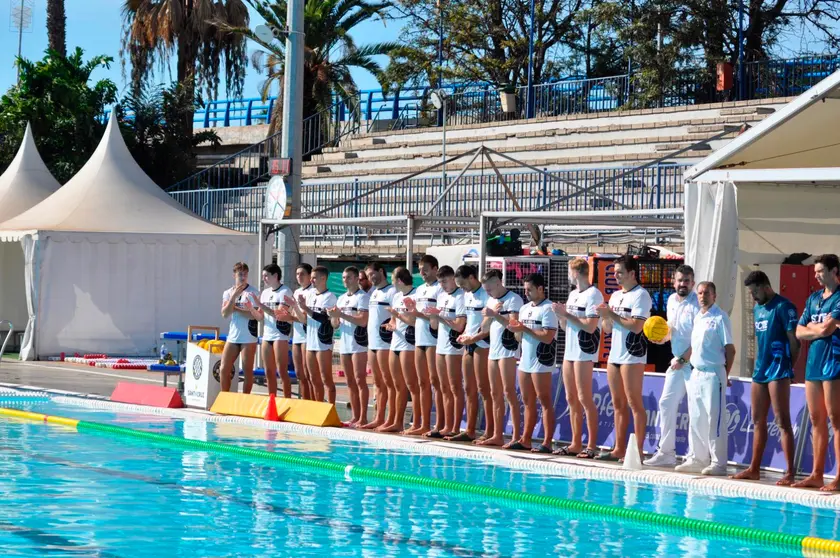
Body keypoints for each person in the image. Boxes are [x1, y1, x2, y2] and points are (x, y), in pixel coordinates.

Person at [731, 270, 799, 484]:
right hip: (761, 370)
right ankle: (754, 468)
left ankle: (790, 472)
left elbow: (794, 342)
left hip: (779, 370)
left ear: (766, 287)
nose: (752, 296)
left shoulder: (784, 307)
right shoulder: (758, 308)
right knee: (757, 420)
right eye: (750, 292)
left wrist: (789, 369)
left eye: (754, 291)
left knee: (782, 421)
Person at [676, 281, 735, 476]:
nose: (702, 296)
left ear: (714, 296)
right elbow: (695, 346)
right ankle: (698, 458)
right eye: (700, 293)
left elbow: (730, 349)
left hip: (713, 372)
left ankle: (719, 462)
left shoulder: (720, 317)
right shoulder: (698, 318)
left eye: (706, 293)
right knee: (696, 417)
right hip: (696, 372)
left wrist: (725, 374)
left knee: (714, 419)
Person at [596, 255, 652, 461]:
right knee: (617, 404)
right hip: (615, 355)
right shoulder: (615, 296)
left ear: (632, 273)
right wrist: (604, 316)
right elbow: (608, 329)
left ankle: (637, 452)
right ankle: (619, 448)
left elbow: (637, 327)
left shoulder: (641, 296)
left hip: (633, 356)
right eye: (614, 272)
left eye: (619, 272)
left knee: (634, 403)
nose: (616, 276)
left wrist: (611, 314)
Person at [645, 264, 700, 467]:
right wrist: (663, 338)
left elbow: (698, 339)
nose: (682, 284)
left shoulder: (697, 305)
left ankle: (695, 457)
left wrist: (684, 359)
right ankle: (666, 452)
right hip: (677, 362)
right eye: (679, 280)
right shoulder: (670, 301)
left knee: (696, 409)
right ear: (673, 281)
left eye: (686, 281)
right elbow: (673, 329)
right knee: (666, 404)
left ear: (692, 283)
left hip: (694, 365)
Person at [793, 254, 840, 491]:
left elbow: (827, 328)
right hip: (814, 365)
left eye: (820, 270)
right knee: (815, 419)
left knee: (836, 419)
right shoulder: (813, 299)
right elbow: (799, 332)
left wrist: (816, 327)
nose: (816, 274)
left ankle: (839, 476)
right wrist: (816, 329)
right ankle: (816, 474)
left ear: (834, 271)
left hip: (834, 362)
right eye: (815, 271)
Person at [554, 258, 604, 458]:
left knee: (584, 398)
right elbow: (565, 327)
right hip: (570, 351)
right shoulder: (573, 294)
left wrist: (567, 314)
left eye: (569, 272)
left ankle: (591, 445)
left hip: (584, 351)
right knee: (571, 398)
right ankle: (576, 443)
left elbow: (590, 326)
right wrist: (560, 316)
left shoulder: (594, 294)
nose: (568, 276)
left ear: (575, 273)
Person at [508, 273, 558, 452]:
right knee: (527, 401)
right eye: (525, 289)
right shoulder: (524, 308)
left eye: (529, 289)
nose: (526, 292)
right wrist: (515, 330)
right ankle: (526, 439)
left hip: (542, 359)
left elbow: (548, 337)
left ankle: (547, 442)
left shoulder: (548, 309)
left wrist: (524, 329)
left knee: (544, 401)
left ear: (540, 289)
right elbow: (520, 337)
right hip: (525, 359)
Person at [480, 269, 524, 447]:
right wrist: (490, 316)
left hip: (508, 350)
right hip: (494, 351)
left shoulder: (514, 299)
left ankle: (515, 436)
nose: (488, 293)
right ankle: (498, 434)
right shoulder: (491, 301)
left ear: (498, 282)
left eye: (489, 289)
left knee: (509, 393)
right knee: (495, 393)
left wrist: (496, 315)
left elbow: (514, 327)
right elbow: (484, 328)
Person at [401, 255, 441, 436]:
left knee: (435, 382)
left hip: (433, 340)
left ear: (435, 269)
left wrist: (416, 313)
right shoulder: (419, 290)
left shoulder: (441, 290)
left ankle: (438, 424)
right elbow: (413, 317)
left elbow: (437, 319)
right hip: (419, 339)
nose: (422, 273)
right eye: (420, 269)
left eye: (425, 269)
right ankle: (421, 423)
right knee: (422, 382)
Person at [424, 265, 465, 439]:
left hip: (454, 347)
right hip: (440, 346)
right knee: (441, 387)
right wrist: (432, 316)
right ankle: (444, 425)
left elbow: (459, 325)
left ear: (453, 279)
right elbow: (434, 326)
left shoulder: (461, 297)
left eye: (445, 281)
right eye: (440, 282)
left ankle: (455, 427)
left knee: (455, 387)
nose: (443, 285)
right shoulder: (440, 297)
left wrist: (440, 317)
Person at [451, 265, 491, 443]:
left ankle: (490, 431)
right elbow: (468, 321)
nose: (462, 288)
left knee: (484, 389)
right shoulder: (466, 295)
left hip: (482, 343)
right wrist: (465, 335)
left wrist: (474, 338)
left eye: (463, 284)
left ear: (472, 277)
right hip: (468, 344)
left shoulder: (486, 294)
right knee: (469, 388)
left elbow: (487, 325)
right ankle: (470, 430)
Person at [329, 266, 370, 427]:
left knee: (360, 380)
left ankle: (363, 417)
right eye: (343, 278)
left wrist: (341, 315)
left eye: (347, 277)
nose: (344, 280)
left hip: (358, 344)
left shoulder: (363, 297)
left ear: (355, 279)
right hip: (345, 344)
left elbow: (362, 320)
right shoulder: (341, 299)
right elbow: (335, 325)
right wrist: (334, 317)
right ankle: (355, 416)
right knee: (349, 381)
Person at [250, 264, 294, 398]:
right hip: (267, 334)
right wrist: (251, 308)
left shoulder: (285, 291)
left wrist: (260, 305)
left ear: (275, 276)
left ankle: (287, 400)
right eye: (263, 276)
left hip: (280, 335)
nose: (264, 279)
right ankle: (272, 400)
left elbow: (279, 314)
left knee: (282, 371)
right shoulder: (265, 293)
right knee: (268, 371)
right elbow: (260, 316)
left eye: (266, 276)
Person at [362, 262, 395, 430]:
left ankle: (391, 418)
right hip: (373, 343)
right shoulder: (373, 292)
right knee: (378, 382)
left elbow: (396, 316)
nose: (370, 278)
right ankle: (379, 417)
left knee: (389, 382)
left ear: (381, 272)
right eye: (368, 276)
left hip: (385, 343)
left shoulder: (391, 291)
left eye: (372, 274)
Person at [385, 267, 418, 434]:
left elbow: (413, 321)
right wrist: (390, 324)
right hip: (395, 343)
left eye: (392, 278)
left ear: (399, 280)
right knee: (397, 385)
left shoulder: (415, 295)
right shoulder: (397, 297)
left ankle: (416, 423)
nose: (391, 281)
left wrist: (396, 315)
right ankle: (397, 422)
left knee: (411, 385)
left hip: (408, 345)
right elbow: (394, 320)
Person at [298, 266, 337, 404]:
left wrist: (305, 309)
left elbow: (324, 318)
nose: (311, 280)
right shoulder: (309, 295)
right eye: (311, 277)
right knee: (313, 379)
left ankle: (331, 409)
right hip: (310, 342)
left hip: (323, 343)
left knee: (326, 379)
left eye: (314, 277)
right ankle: (318, 407)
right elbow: (304, 318)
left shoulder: (330, 297)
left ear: (323, 278)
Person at [220, 262, 260, 394]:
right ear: (234, 275)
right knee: (224, 368)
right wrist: (233, 298)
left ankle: (245, 400)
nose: (243, 277)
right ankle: (225, 397)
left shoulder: (253, 292)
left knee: (248, 371)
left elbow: (253, 315)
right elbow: (225, 314)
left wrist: (235, 308)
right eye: (240, 274)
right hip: (233, 335)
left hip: (248, 336)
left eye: (245, 274)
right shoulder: (228, 293)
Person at [290, 264, 314, 400]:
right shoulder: (297, 292)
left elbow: (304, 318)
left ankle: (312, 402)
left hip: (307, 336)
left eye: (302, 274)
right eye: (297, 274)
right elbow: (294, 314)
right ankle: (304, 401)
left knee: (308, 373)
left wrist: (291, 315)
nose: (299, 276)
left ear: (310, 276)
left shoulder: (312, 292)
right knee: (299, 373)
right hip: (297, 335)